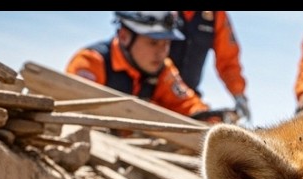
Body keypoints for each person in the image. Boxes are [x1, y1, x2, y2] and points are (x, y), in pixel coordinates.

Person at [65, 11, 218, 123]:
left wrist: (212, 121)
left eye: (167, 43)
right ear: (124, 37)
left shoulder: (164, 70)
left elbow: (188, 104)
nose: (162, 52)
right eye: (153, 42)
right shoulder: (91, 63)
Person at [169, 11, 251, 123]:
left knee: (212, 123)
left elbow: (228, 59)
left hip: (187, 100)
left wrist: (239, 95)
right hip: (152, 93)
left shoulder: (216, 15)